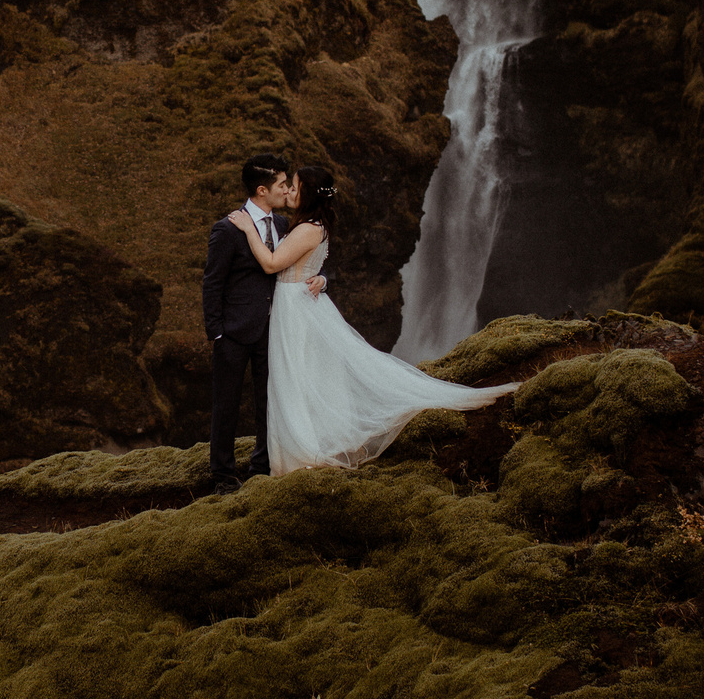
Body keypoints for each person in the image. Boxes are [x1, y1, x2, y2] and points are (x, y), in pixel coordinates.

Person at [226, 163, 513, 473]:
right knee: (303, 375)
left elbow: (271, 264)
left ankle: (305, 451)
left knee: (296, 376)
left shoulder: (308, 228)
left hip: (296, 306)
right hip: (299, 303)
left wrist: (247, 229)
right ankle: (306, 445)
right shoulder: (311, 225)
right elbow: (305, 264)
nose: (289, 192)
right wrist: (322, 279)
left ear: (307, 193)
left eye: (294, 187)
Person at [201, 155, 296, 490]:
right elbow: (213, 282)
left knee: (269, 400)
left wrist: (321, 280)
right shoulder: (227, 228)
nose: (287, 190)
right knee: (225, 404)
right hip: (234, 331)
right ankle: (223, 475)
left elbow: (299, 263)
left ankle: (262, 465)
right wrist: (217, 330)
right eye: (282, 185)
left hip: (273, 329)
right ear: (261, 190)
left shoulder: (284, 226)